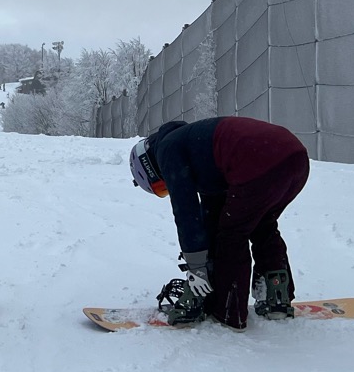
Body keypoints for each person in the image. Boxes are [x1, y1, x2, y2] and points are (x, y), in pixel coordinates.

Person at [129, 115, 309, 329]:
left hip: (259, 161)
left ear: (150, 166)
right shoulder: (196, 145)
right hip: (295, 157)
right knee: (261, 224)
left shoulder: (167, 149)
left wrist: (197, 269)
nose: (168, 187)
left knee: (231, 236)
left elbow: (186, 212)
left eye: (162, 186)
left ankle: (229, 312)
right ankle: (277, 298)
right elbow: (210, 214)